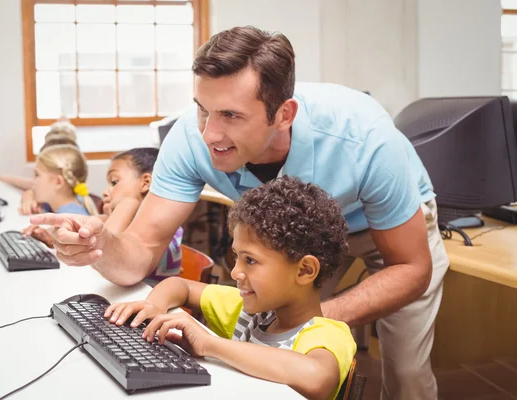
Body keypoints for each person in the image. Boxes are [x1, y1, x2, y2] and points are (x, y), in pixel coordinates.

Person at [32, 26, 449, 399]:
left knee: (406, 374)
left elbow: (411, 267)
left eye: (231, 115)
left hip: (382, 223)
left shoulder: (365, 137)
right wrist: (101, 244)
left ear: (283, 115)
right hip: (290, 239)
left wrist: (311, 324)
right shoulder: (191, 138)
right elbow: (140, 248)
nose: (209, 134)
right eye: (203, 109)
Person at [104, 176, 356, 400]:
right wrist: (154, 306)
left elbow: (317, 377)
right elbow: (178, 285)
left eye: (251, 260)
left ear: (304, 271)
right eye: (236, 256)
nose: (235, 272)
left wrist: (209, 344)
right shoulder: (250, 311)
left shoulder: (327, 335)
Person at [26, 147, 184, 284]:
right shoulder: (127, 221)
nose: (105, 191)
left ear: (145, 183)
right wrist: (56, 237)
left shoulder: (162, 228)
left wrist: (128, 202)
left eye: (114, 182)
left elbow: (102, 251)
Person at [0, 120, 78, 214]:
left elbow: (31, 185)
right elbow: (30, 185)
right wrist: (29, 195)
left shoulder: (71, 209)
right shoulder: (59, 192)